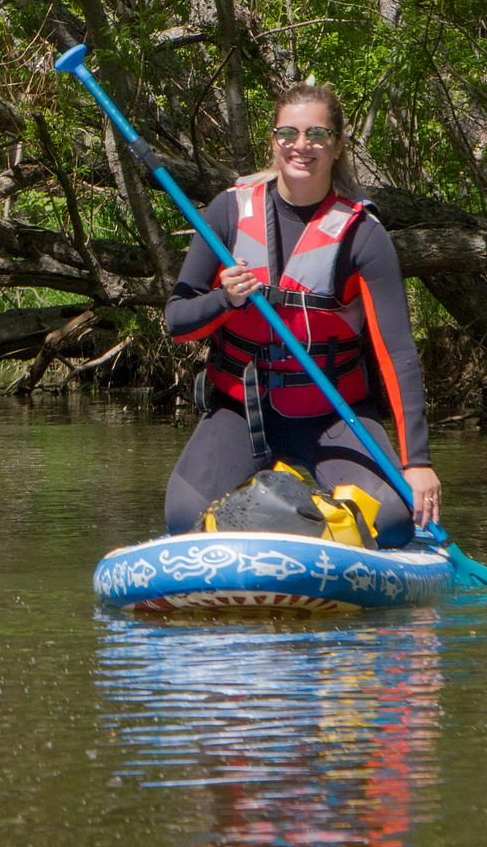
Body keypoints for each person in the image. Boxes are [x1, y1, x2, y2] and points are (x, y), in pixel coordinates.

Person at [161, 83, 442, 548]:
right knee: (183, 518)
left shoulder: (362, 235)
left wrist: (418, 463)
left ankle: (298, 515)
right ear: (273, 140)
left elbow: (397, 355)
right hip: (241, 409)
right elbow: (177, 320)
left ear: (337, 145)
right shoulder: (228, 211)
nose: (301, 145)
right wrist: (224, 300)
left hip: (332, 413)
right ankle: (275, 504)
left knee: (392, 521)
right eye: (288, 133)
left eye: (317, 134)